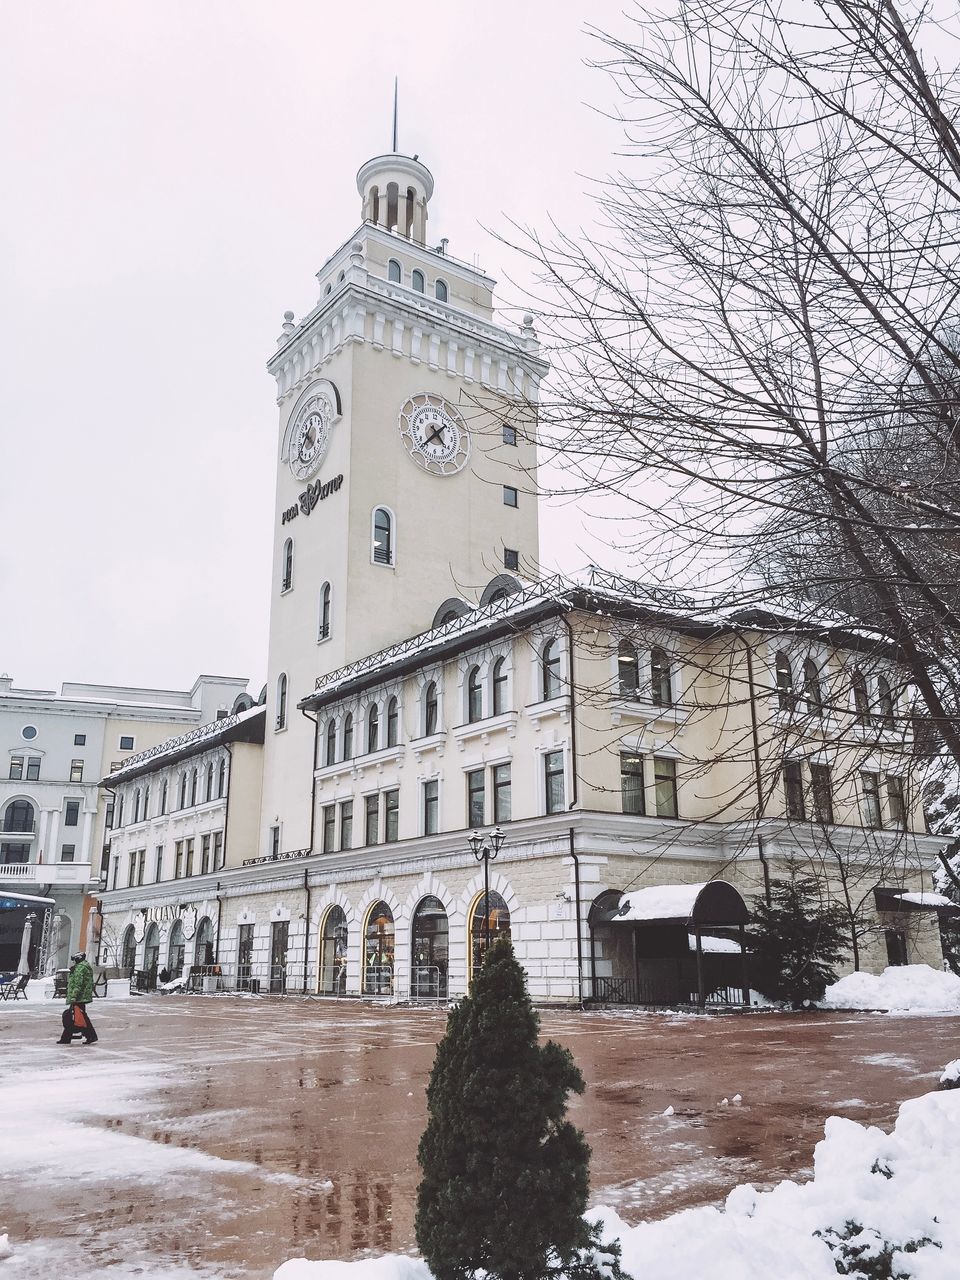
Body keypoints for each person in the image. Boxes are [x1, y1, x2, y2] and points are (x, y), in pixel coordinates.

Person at [56, 952, 98, 1045]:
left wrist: (74, 996)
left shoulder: (80, 968)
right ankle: (67, 1037)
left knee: (78, 1017)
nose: (74, 962)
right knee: (75, 1017)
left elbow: (78, 984)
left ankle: (90, 1036)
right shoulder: (84, 967)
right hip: (81, 996)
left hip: (79, 997)